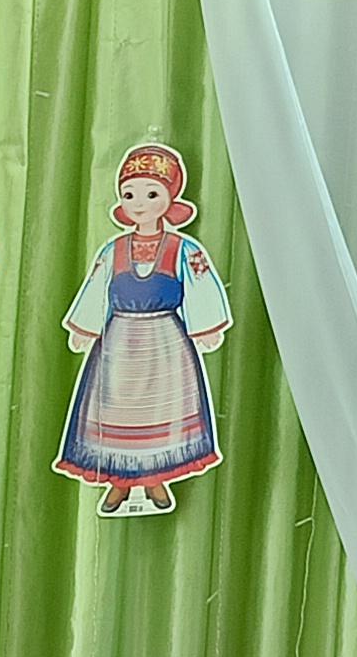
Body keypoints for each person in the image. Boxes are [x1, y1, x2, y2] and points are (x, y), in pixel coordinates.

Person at [56, 141, 233, 517]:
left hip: (165, 342)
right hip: (119, 343)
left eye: (151, 194)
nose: (140, 203)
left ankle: (156, 477)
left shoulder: (183, 249)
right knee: (115, 409)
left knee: (162, 410)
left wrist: (205, 327)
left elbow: (201, 286)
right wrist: (86, 328)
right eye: (130, 194)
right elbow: (97, 287)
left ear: (169, 198)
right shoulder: (114, 250)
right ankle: (118, 479)